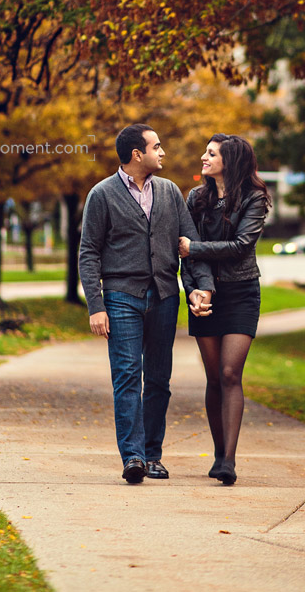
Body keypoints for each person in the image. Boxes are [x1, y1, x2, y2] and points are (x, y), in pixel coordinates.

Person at [79, 123, 214, 484]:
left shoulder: (170, 192)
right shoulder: (102, 195)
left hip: (165, 296)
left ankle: (153, 454)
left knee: (158, 379)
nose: (163, 152)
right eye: (157, 147)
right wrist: (96, 304)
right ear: (137, 155)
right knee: (126, 376)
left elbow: (190, 245)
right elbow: (89, 252)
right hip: (122, 296)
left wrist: (203, 287)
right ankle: (133, 457)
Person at [179, 133, 271, 486]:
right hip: (204, 295)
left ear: (229, 162)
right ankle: (218, 453)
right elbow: (182, 253)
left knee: (232, 373)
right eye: (205, 151)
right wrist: (194, 291)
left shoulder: (254, 198)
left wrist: (196, 248)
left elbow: (241, 245)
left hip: (240, 293)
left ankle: (228, 460)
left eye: (211, 153)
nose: (204, 157)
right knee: (214, 377)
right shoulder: (196, 198)